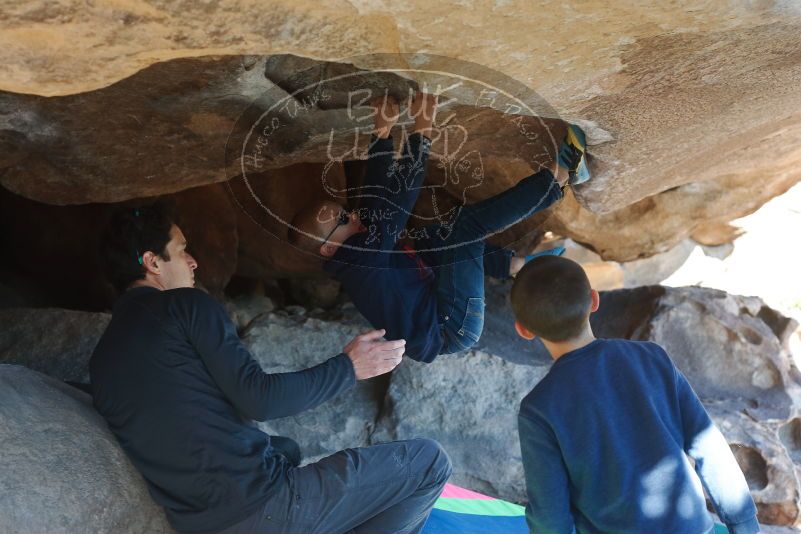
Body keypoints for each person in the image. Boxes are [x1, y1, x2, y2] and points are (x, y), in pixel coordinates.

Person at [90, 204, 452, 534]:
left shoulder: (103, 358)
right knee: (428, 462)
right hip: (264, 508)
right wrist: (349, 367)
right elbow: (260, 400)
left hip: (205, 524)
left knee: (287, 449)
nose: (193, 261)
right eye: (182, 250)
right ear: (153, 262)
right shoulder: (185, 306)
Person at [289, 91, 588, 363]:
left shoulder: (354, 252)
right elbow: (396, 204)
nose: (353, 217)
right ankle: (561, 174)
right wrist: (421, 130)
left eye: (346, 212)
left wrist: (382, 132)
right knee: (466, 227)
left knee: (433, 240)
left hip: (437, 302)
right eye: (344, 220)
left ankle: (516, 264)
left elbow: (374, 195)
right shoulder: (363, 262)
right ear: (328, 247)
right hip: (452, 326)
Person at [510, 256, 760, 533]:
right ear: (594, 300)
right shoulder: (653, 358)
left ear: (524, 330)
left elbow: (549, 517)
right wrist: (744, 524)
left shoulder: (539, 408)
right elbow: (709, 446)